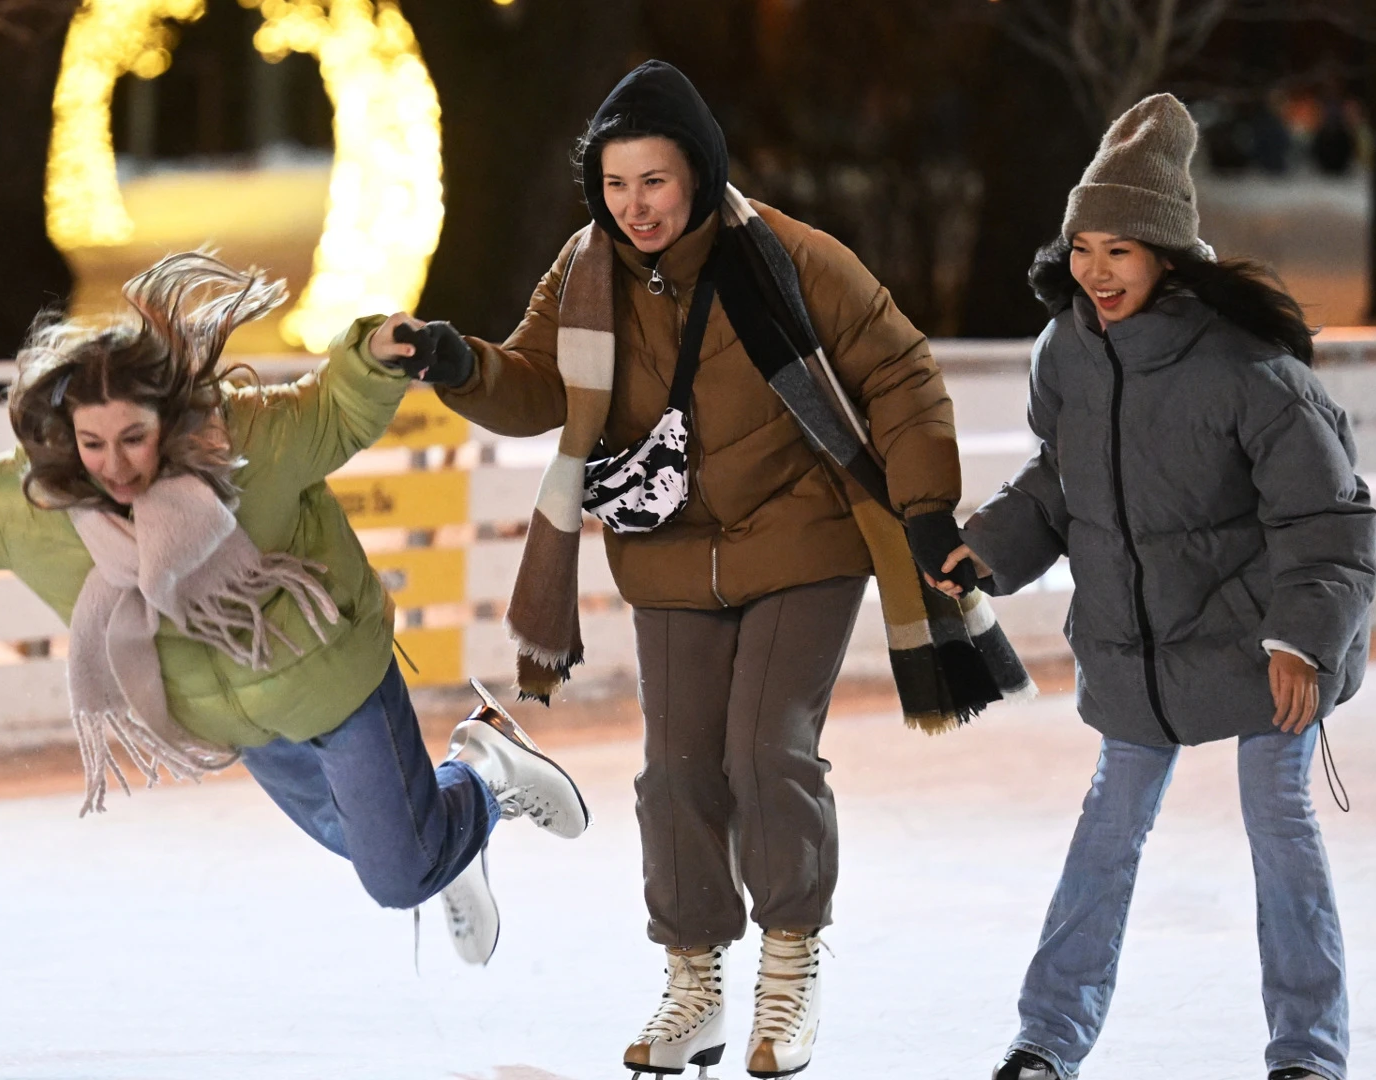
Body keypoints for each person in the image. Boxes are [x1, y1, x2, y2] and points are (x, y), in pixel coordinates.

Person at [0, 252, 590, 968]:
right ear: (63, 435)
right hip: (238, 726)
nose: (118, 464)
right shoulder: (29, 511)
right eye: (93, 442)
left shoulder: (241, 448)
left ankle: (476, 776)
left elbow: (336, 406)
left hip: (332, 683)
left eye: (135, 436)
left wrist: (377, 350)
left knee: (390, 876)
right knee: (376, 844)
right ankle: (437, 839)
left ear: (168, 418)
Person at [391, 61, 1026, 1079]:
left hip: (806, 536)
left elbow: (899, 372)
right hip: (671, 552)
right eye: (615, 183)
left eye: (655, 179)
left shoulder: (792, 257)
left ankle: (790, 971)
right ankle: (694, 984)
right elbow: (532, 384)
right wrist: (452, 361)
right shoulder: (583, 274)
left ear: (697, 172)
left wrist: (924, 507)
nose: (635, 204)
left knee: (763, 752)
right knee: (676, 769)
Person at [938, 95, 1376, 1080]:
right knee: (1108, 829)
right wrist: (994, 548)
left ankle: (1307, 1055)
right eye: (1083, 247)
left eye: (1120, 252)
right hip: (1143, 646)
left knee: (1278, 817)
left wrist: (1305, 638)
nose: (1094, 271)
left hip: (1269, 638)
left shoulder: (1247, 369)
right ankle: (1045, 1042)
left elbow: (1327, 518)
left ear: (1168, 257)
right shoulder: (1070, 352)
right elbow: (1063, 477)